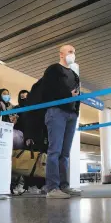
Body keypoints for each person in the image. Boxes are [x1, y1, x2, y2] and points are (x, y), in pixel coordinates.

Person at [41, 45, 80, 199]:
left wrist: (76, 111)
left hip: (71, 114)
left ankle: (64, 186)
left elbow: (77, 94)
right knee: (54, 151)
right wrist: (66, 94)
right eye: (70, 52)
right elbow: (47, 91)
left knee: (65, 153)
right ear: (61, 54)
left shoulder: (74, 74)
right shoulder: (53, 70)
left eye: (74, 52)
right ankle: (52, 188)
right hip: (56, 112)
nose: (73, 54)